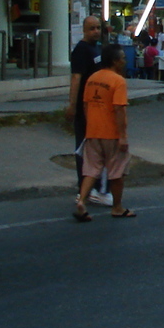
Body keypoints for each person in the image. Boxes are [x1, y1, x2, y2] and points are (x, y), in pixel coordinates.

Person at [75, 44, 136, 221]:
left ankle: (81, 201)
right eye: (123, 58)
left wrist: (91, 125)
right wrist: (123, 136)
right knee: (117, 172)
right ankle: (117, 207)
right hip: (111, 134)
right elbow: (119, 110)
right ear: (115, 61)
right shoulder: (118, 81)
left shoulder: (92, 78)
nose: (125, 61)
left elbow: (86, 104)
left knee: (91, 170)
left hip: (93, 132)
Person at [65, 16, 112, 207]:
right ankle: (85, 188)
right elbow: (76, 78)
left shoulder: (97, 49)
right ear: (84, 30)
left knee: (97, 148)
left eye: (98, 28)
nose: (96, 31)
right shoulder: (81, 50)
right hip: (85, 108)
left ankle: (95, 188)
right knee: (85, 149)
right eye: (91, 28)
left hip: (98, 107)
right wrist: (72, 106)